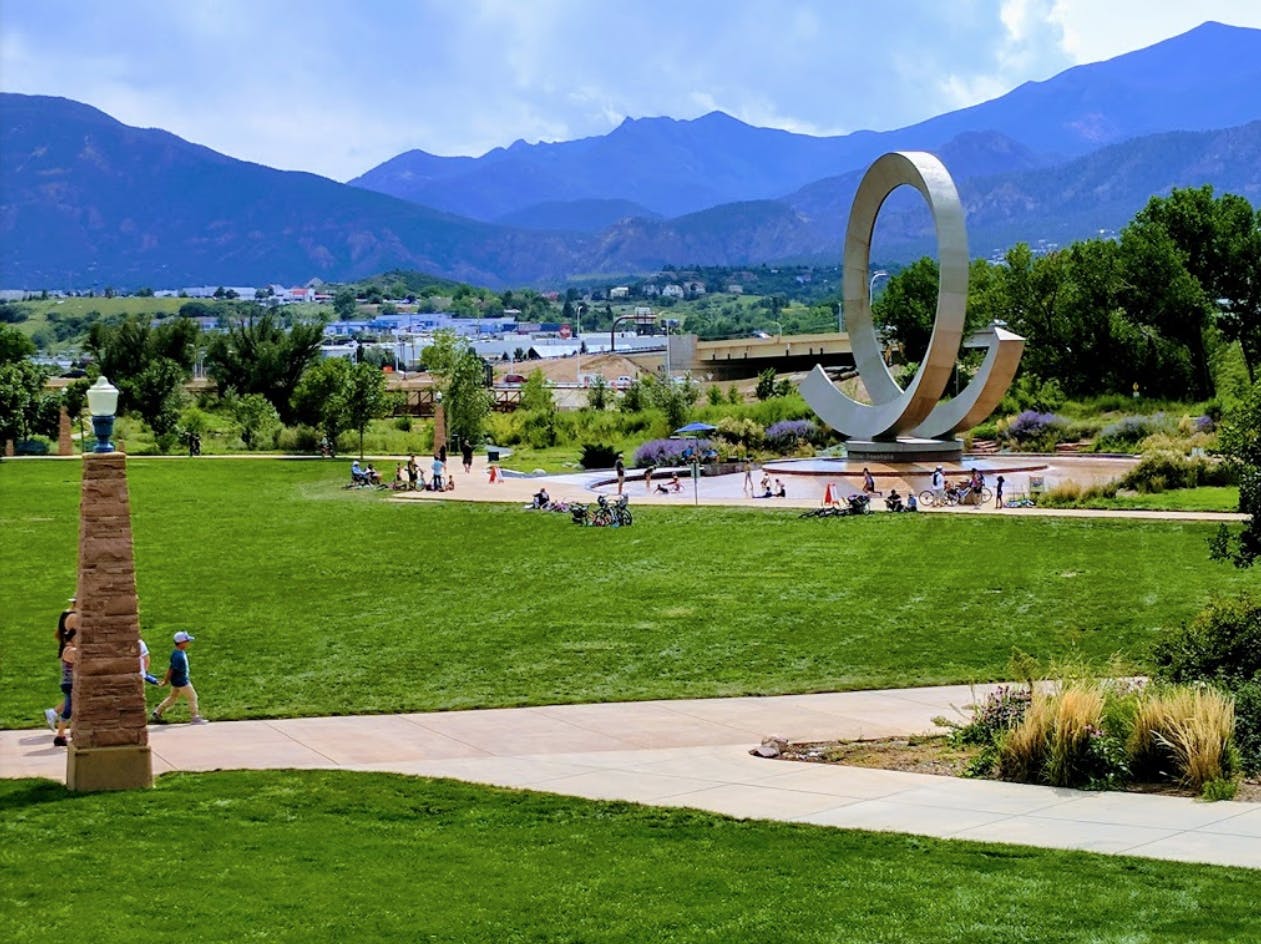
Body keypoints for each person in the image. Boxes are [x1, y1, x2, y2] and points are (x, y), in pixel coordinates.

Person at [151, 631, 206, 724]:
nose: (188, 643)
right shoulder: (179, 656)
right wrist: (166, 680)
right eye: (187, 641)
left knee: (172, 697)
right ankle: (195, 717)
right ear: (181, 643)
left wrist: (169, 680)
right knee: (193, 697)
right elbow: (171, 669)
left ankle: (158, 711)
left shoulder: (177, 652)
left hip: (176, 682)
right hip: (182, 682)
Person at [46, 606, 78, 745]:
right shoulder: (69, 650)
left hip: (71, 683)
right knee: (68, 710)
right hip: (69, 684)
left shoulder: (68, 648)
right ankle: (60, 736)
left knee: (72, 707)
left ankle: (66, 732)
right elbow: (78, 656)